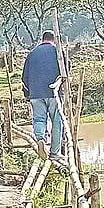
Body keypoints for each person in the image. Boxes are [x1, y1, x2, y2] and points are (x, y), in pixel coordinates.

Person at [21, 30, 63, 159]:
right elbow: (66, 69)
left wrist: (27, 93)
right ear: (54, 40)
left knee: (39, 119)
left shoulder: (32, 54)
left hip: (36, 93)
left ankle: (40, 139)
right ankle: (55, 153)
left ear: (42, 39)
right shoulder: (58, 52)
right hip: (53, 93)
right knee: (56, 121)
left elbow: (24, 77)